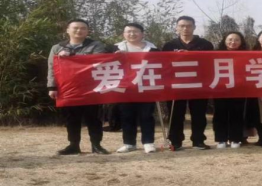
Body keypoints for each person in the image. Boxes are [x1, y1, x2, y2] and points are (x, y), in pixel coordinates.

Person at [47, 18, 110, 155]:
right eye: (75, 28)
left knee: (94, 118)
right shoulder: (57, 48)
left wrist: (71, 55)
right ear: (67, 30)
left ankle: (96, 145)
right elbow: (52, 68)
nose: (79, 30)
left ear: (87, 31)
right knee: (71, 118)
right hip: (68, 88)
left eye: (83, 28)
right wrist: (52, 87)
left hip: (91, 87)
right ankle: (73, 145)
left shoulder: (96, 45)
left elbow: (97, 60)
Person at [161, 16, 214, 150]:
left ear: (194, 27)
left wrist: (190, 54)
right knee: (175, 114)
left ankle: (198, 140)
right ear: (177, 28)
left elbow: (210, 62)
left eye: (189, 26)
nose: (185, 28)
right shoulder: (169, 45)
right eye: (182, 26)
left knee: (199, 114)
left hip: (198, 84)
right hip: (176, 85)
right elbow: (163, 65)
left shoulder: (205, 44)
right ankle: (175, 141)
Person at [115, 23, 158, 154]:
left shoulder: (153, 49)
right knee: (127, 115)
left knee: (147, 115)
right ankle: (129, 143)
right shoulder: (115, 48)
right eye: (128, 31)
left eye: (135, 31)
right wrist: (116, 55)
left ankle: (148, 142)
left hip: (147, 86)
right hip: (125, 87)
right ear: (123, 34)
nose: (132, 34)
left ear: (142, 34)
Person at [213, 32, 248, 149]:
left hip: (239, 88)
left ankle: (236, 138)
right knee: (220, 114)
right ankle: (221, 139)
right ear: (224, 41)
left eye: (237, 40)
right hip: (220, 88)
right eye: (230, 39)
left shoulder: (247, 55)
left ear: (241, 42)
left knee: (237, 114)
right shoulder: (215, 54)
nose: (233, 42)